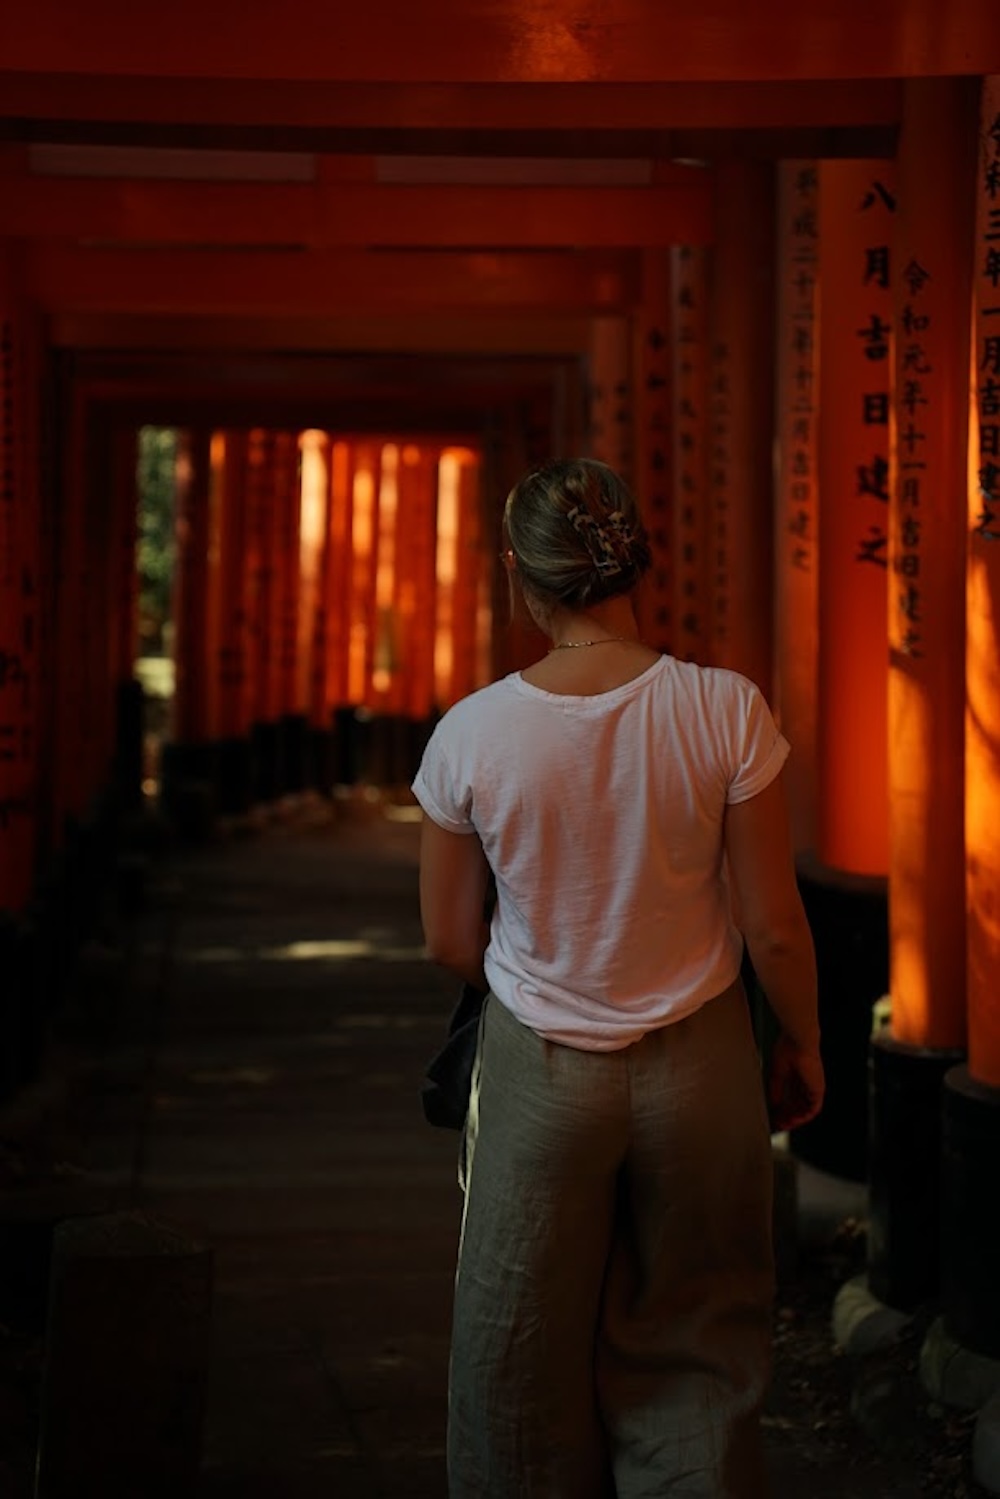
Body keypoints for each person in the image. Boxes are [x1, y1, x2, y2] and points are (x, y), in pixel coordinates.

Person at [410, 457, 823, 1498]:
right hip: (703, 1064)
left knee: (517, 1349)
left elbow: (450, 938)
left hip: (537, 1069)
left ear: (521, 574)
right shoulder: (724, 709)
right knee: (699, 1335)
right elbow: (772, 923)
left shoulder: (472, 732)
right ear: (635, 557)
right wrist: (802, 1040)